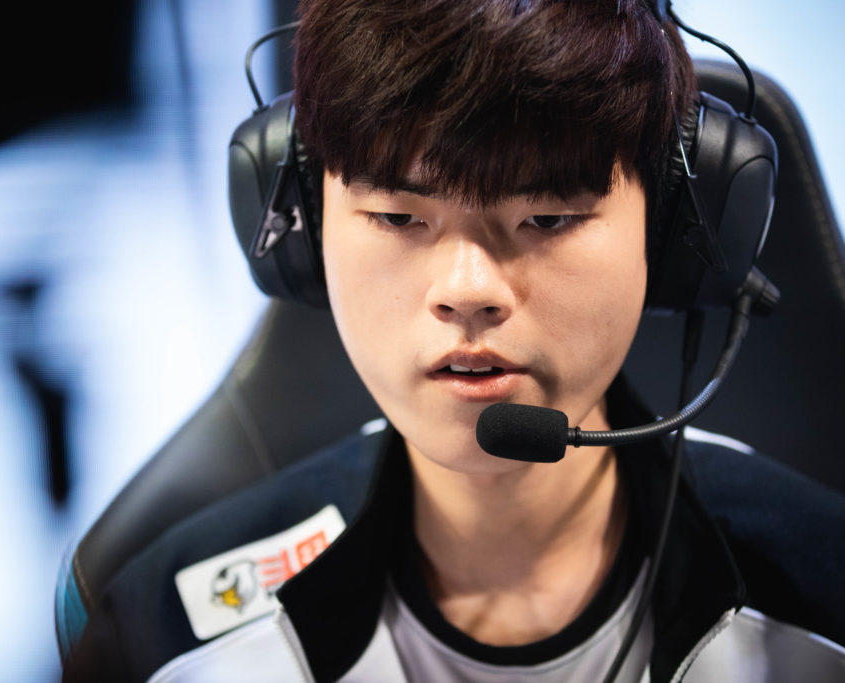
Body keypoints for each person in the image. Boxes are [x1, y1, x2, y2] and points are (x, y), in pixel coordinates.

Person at [62, 1, 845, 681]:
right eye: (399, 217)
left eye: (547, 217)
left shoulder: (824, 598)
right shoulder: (164, 643)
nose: (468, 289)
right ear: (304, 227)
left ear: (670, 229)